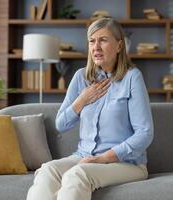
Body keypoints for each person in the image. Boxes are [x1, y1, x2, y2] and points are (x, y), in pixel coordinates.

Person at [26, 17, 154, 200]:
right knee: (48, 170)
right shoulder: (81, 78)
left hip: (126, 164)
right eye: (92, 41)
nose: (96, 47)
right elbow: (61, 124)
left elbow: (145, 133)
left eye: (103, 40)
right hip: (84, 156)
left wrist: (103, 158)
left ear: (119, 46)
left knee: (77, 174)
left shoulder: (132, 77)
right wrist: (82, 100)